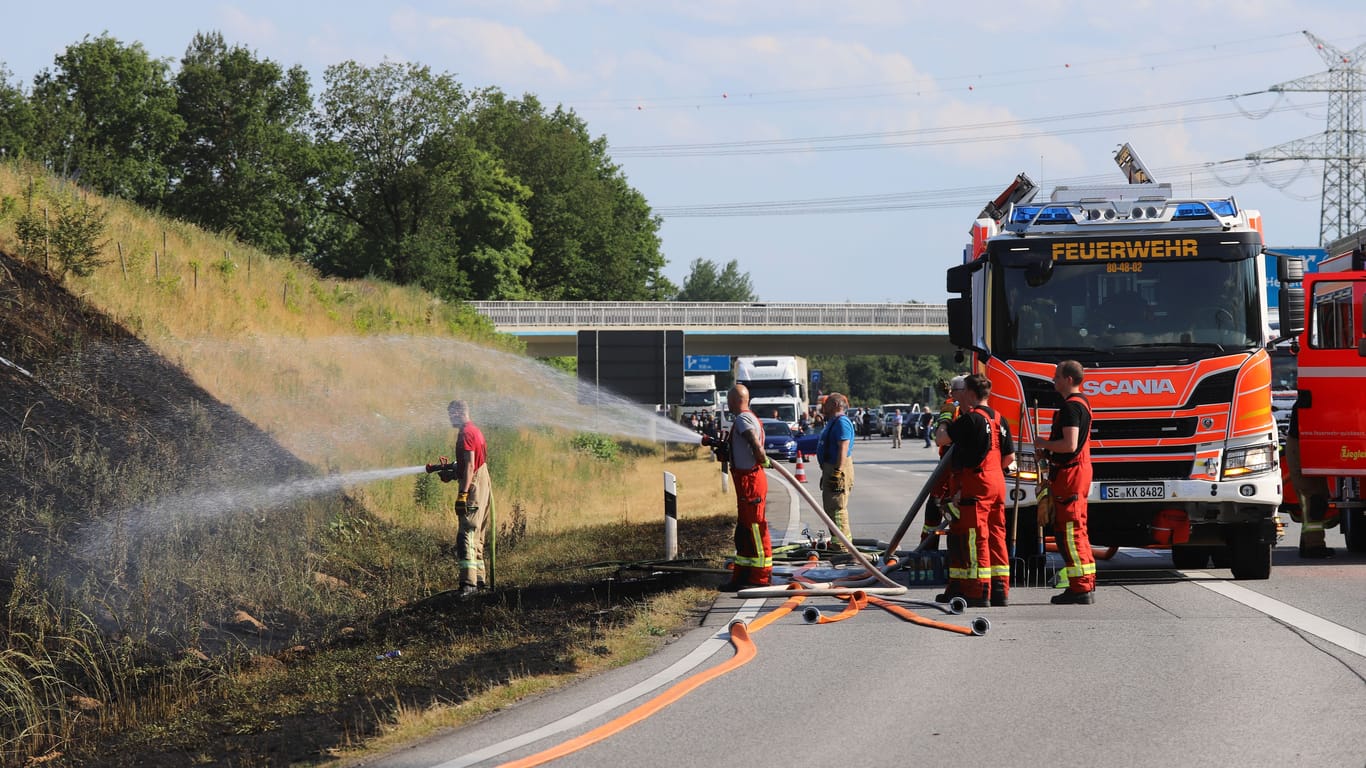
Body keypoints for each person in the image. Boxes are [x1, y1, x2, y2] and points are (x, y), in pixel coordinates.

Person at [935, 373, 1013, 608]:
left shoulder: (970, 420)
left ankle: (979, 590)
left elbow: (941, 439)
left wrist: (946, 415)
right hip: (997, 481)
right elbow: (1009, 457)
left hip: (977, 482)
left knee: (974, 537)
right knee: (996, 535)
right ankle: (1000, 589)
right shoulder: (1000, 419)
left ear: (970, 393)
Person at [1034, 360, 1097, 605]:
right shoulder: (1081, 403)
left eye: (1057, 376)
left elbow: (1069, 445)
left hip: (1071, 475)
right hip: (1075, 471)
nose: (1053, 380)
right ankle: (1086, 582)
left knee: (1069, 533)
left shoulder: (1071, 408)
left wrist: (1044, 444)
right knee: (1077, 531)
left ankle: (1080, 588)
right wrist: (1049, 456)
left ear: (1068, 379)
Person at [720, 384, 774, 590]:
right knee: (743, 531)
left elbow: (754, 444)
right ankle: (741, 576)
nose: (727, 403)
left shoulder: (743, 419)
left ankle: (760, 578)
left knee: (755, 529)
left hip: (751, 482)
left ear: (734, 401)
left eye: (728, 399)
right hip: (747, 482)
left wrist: (762, 457)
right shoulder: (747, 417)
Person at [440, 399, 493, 596]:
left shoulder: (466, 433)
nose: (449, 419)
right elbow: (470, 463)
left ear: (458, 413)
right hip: (482, 483)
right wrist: (453, 472)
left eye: (450, 415)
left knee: (467, 534)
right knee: (476, 535)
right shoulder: (475, 431)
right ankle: (479, 580)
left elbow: (470, 465)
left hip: (473, 488)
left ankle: (468, 584)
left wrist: (462, 494)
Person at [1285, 402, 1334, 558]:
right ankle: (1314, 546)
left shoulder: (1307, 403)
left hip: (1307, 448)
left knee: (1314, 499)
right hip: (1301, 449)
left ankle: (1308, 544)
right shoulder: (1304, 405)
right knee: (1312, 499)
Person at [816, 392, 856, 547]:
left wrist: (837, 472)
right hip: (830, 468)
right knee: (830, 508)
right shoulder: (833, 422)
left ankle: (843, 546)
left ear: (836, 405)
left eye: (827, 404)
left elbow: (843, 448)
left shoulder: (841, 423)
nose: (823, 407)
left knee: (837, 508)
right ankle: (837, 543)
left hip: (838, 468)